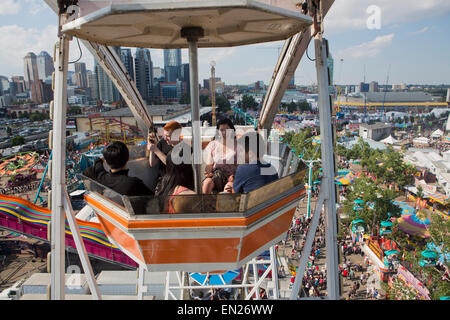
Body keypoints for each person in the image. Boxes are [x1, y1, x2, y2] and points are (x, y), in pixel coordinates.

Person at [83, 141, 151, 196]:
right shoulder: (133, 183)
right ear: (127, 159)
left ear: (106, 162)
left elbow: (98, 166)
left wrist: (103, 159)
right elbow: (153, 198)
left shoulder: (101, 178)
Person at [202, 118, 240, 194]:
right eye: (221, 130)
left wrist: (235, 177)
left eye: (227, 130)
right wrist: (208, 173)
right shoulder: (213, 145)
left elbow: (242, 166)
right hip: (216, 177)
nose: (224, 132)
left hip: (232, 178)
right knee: (207, 184)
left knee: (228, 189)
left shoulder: (239, 146)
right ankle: (206, 204)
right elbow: (209, 165)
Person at [148, 121, 190, 187]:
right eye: (164, 135)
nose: (165, 138)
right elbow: (152, 163)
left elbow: (172, 165)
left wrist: (156, 150)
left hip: (177, 183)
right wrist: (152, 148)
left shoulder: (186, 149)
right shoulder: (162, 143)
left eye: (168, 136)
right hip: (163, 181)